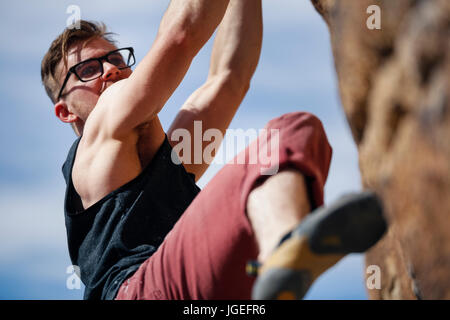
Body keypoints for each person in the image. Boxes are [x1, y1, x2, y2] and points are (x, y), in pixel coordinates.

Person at [41, 0, 386, 300]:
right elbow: (182, 33)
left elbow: (229, 76)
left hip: (194, 290)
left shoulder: (168, 163)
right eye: (88, 70)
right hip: (138, 289)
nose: (111, 69)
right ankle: (283, 249)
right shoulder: (96, 141)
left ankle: (284, 254)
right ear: (65, 110)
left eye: (115, 58)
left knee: (294, 134)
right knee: (280, 143)